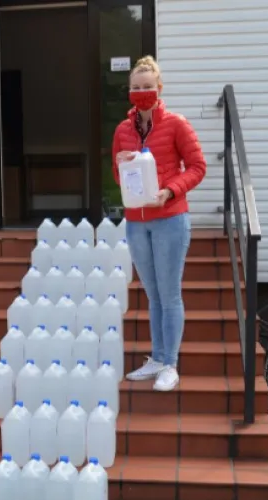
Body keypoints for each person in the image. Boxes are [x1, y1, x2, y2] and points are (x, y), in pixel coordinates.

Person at [111, 55, 207, 391]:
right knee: (152, 295)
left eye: (147, 87)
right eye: (135, 88)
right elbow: (116, 175)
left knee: (169, 295)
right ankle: (156, 356)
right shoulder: (123, 130)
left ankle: (170, 364)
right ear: (129, 91)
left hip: (169, 219)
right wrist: (123, 164)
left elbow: (197, 167)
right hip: (137, 222)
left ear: (159, 88)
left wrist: (169, 191)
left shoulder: (177, 124)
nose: (141, 92)